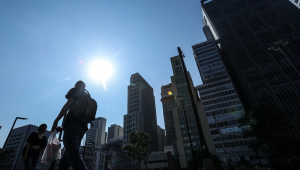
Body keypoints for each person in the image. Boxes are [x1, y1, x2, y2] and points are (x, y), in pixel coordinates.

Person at [51, 80, 88, 170]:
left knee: (73, 154)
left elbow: (67, 105)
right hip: (82, 129)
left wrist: (56, 120)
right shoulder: (86, 97)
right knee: (67, 156)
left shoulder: (75, 90)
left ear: (77, 85)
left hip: (72, 126)